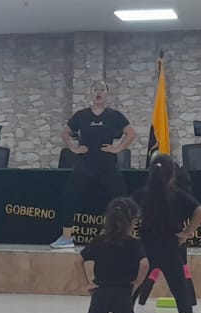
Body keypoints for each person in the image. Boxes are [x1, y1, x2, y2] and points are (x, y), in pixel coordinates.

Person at [128, 154, 201, 313]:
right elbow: (200, 212)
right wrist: (186, 233)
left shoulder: (141, 193)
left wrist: (129, 236)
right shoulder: (178, 194)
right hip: (171, 248)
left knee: (133, 290)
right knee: (180, 293)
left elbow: (126, 211)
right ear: (172, 174)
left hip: (146, 248)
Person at [51, 81, 137, 249]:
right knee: (69, 196)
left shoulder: (114, 115)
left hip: (107, 166)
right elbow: (65, 132)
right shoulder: (81, 115)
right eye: (95, 89)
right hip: (85, 166)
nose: (98, 92)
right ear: (90, 93)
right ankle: (66, 238)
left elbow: (131, 133)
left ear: (106, 94)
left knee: (122, 201)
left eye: (102, 89)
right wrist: (74, 148)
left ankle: (126, 238)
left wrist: (118, 148)